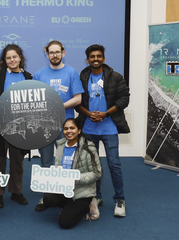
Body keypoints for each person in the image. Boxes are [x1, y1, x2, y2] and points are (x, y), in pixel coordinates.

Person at [76, 44, 130, 217]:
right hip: (89, 128)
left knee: (114, 164)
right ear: (87, 60)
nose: (96, 59)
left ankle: (119, 199)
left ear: (103, 59)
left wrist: (106, 113)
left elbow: (124, 99)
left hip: (109, 127)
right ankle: (96, 197)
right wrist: (89, 114)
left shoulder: (115, 77)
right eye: (92, 57)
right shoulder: (82, 78)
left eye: (99, 56)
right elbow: (78, 102)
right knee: (92, 165)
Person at [33, 40, 84, 211]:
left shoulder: (71, 73)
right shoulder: (39, 74)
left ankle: (67, 195)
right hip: (44, 126)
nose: (54, 55)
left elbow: (78, 98)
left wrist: (58, 105)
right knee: (46, 162)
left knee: (66, 162)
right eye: (51, 52)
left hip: (66, 127)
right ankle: (47, 197)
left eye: (57, 52)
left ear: (63, 52)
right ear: (46, 54)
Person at [0, 44, 32, 208]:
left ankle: (16, 192)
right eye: (8, 57)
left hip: (21, 129)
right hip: (0, 128)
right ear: (4, 60)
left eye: (14, 56)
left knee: (18, 162)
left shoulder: (28, 77)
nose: (12, 60)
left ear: (20, 58)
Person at [40, 118, 102, 229]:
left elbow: (97, 173)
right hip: (65, 188)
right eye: (66, 129)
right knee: (47, 199)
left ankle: (89, 205)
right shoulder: (61, 146)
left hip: (81, 191)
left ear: (79, 130)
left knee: (64, 223)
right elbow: (58, 167)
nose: (69, 131)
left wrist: (75, 178)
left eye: (72, 128)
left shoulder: (89, 147)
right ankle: (70, 206)